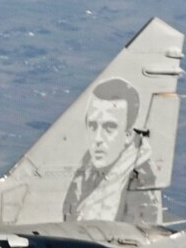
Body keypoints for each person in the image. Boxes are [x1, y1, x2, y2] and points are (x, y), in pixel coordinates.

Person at [61, 78, 149, 222]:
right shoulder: (84, 174)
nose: (97, 138)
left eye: (109, 127)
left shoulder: (139, 185)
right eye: (92, 126)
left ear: (128, 135)